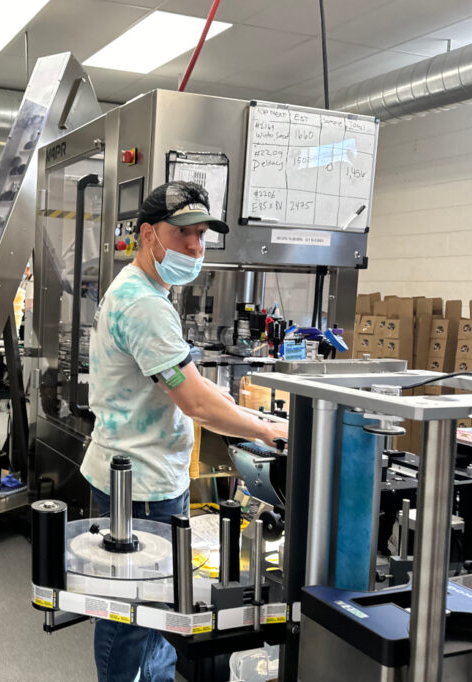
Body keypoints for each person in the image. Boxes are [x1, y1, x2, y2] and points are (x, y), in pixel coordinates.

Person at [79, 181, 289, 682]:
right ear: (148, 235)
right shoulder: (144, 304)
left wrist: (248, 414)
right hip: (140, 485)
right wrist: (263, 429)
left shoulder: (146, 291)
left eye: (201, 235)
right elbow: (195, 402)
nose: (196, 247)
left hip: (139, 473)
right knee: (133, 613)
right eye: (184, 234)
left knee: (148, 612)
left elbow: (189, 384)